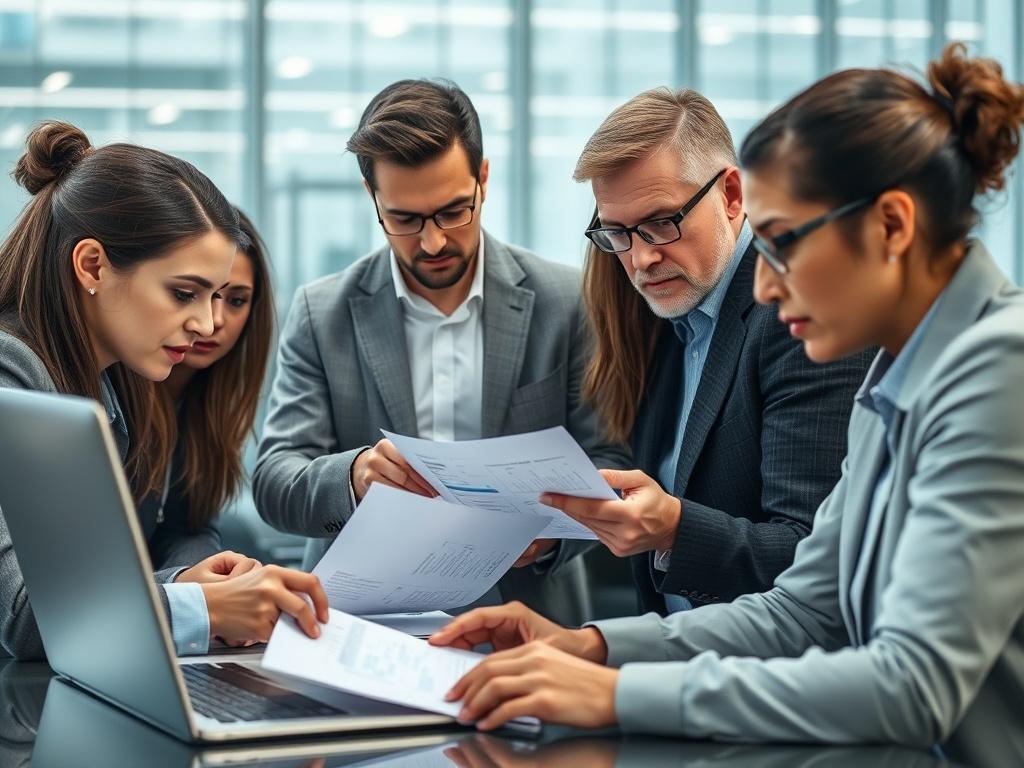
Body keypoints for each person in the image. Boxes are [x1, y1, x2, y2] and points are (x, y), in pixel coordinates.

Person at [429, 44, 1024, 767]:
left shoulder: (1001, 364)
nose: (766, 287)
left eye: (781, 245)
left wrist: (615, 694)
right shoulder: (895, 376)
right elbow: (805, 607)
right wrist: (590, 646)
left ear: (893, 227)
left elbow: (913, 685)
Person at [253, 79, 629, 623]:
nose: (432, 242)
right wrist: (354, 476)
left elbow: (611, 460)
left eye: (454, 211)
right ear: (371, 197)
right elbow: (274, 480)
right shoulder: (321, 312)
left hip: (530, 616)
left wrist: (549, 540)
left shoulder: (568, 301)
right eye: (404, 219)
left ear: (483, 180)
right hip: (357, 620)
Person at [0, 121, 327, 661]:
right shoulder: (12, 373)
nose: (205, 323)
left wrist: (186, 581)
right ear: (92, 266)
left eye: (220, 296)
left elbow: (89, 584)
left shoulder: (101, 384)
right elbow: (24, 616)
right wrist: (203, 606)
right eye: (184, 293)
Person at [539, 87, 870, 613]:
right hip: (676, 660)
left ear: (732, 195)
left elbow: (810, 555)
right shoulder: (650, 313)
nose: (643, 258)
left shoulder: (798, 315)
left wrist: (672, 529)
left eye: (662, 223)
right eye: (618, 232)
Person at [150, 208, 274, 575]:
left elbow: (190, 526)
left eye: (236, 300)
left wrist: (205, 577)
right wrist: (186, 586)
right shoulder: (115, 393)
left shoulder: (209, 404)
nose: (214, 320)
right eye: (191, 294)